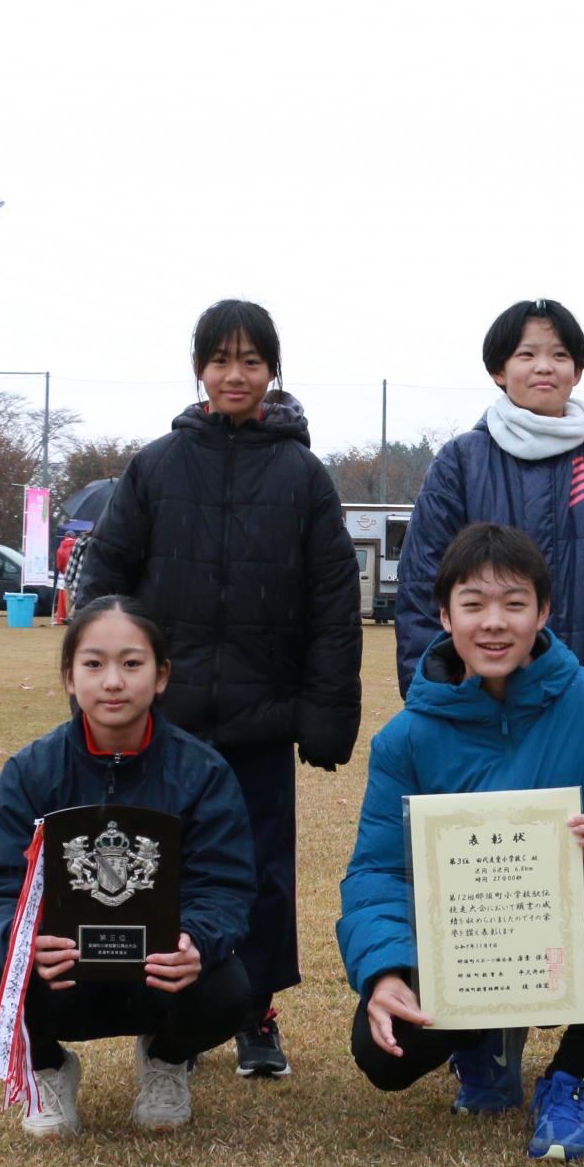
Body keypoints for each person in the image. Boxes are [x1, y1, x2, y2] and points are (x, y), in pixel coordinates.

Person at [76, 299, 362, 1081]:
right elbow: (105, 578)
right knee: (158, 866)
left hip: (260, 720)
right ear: (198, 368)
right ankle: (165, 1006)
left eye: (251, 360)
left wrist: (325, 715)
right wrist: (104, 681)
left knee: (260, 869)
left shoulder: (303, 474)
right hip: (160, 721)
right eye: (220, 359)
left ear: (273, 371)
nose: (235, 375)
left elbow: (335, 605)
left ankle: (254, 1008)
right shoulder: (156, 464)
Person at [338, 524, 584, 1163]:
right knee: (382, 1058)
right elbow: (377, 871)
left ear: (544, 612)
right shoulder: (405, 738)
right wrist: (384, 970)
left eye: (514, 603)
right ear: (444, 616)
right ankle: (485, 1045)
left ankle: (572, 1072)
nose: (494, 624)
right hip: (462, 942)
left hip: (565, 929)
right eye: (473, 604)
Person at [0, 598, 259, 1140]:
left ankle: (167, 1059)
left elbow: (226, 882)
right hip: (66, 970)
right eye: (94, 664)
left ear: (162, 675)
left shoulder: (203, 772)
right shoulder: (30, 773)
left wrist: (199, 939)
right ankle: (50, 1070)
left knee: (229, 989)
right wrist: (23, 943)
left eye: (132, 663)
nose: (113, 682)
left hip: (159, 971)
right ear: (69, 679)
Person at [394, 298, 584, 722]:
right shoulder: (461, 462)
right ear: (498, 370)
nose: (544, 366)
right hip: (475, 713)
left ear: (577, 372)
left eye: (559, 355)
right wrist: (441, 698)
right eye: (527, 354)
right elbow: (422, 588)